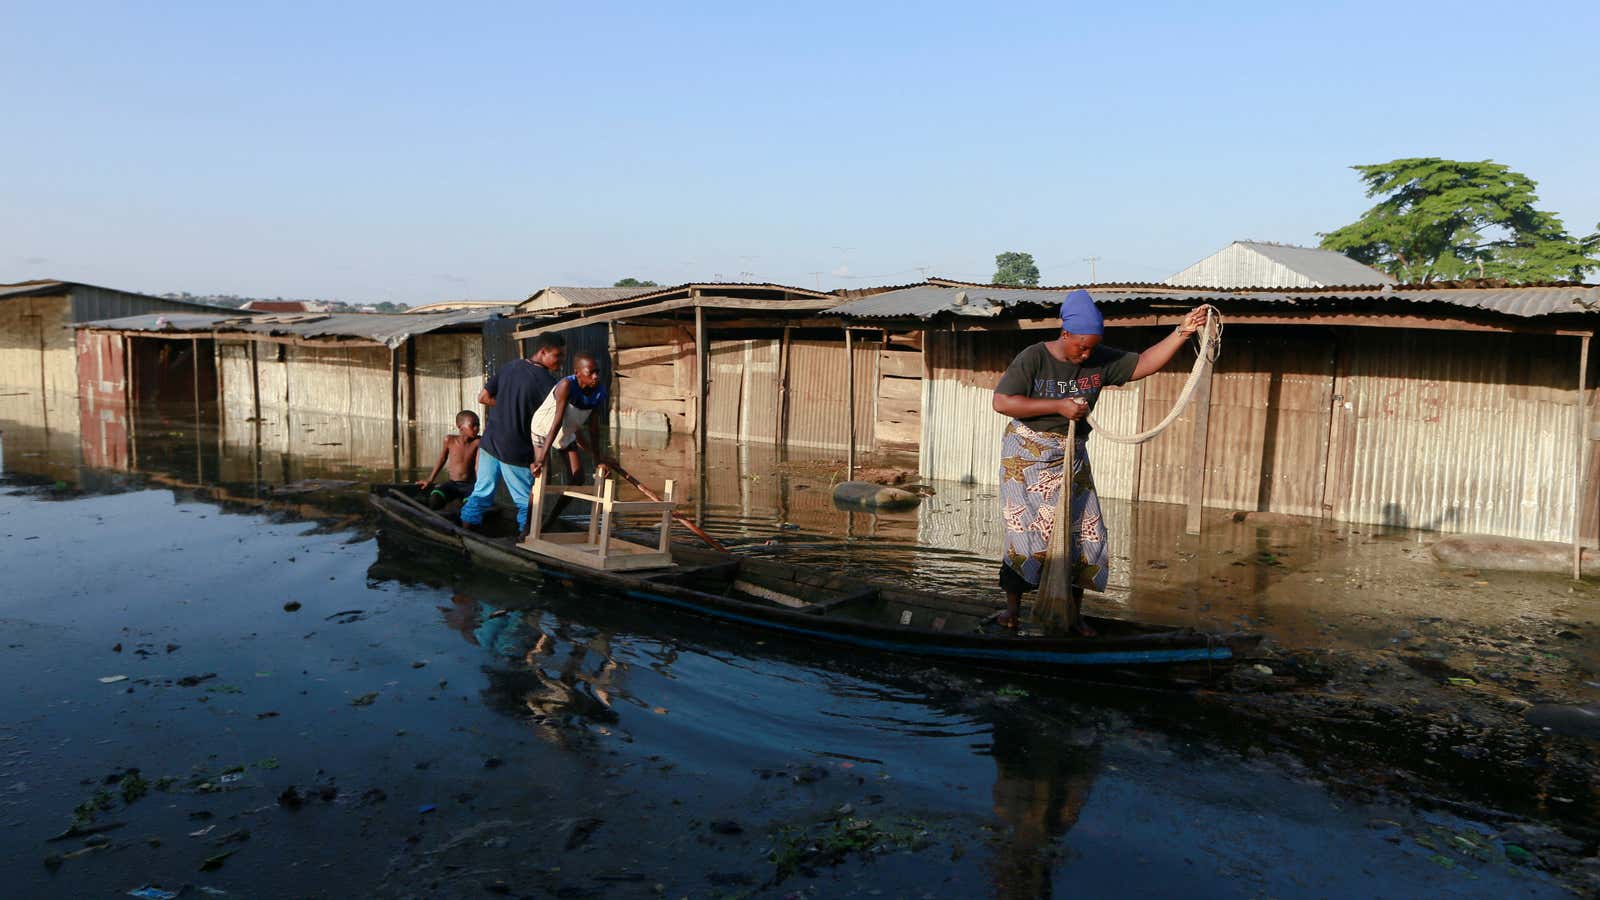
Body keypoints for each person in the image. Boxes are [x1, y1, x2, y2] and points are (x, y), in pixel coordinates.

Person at [991, 289, 1209, 635]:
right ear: (1065, 335)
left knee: (1083, 535)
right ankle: (1012, 611)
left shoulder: (1098, 358)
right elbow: (1003, 402)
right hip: (1027, 456)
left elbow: (1143, 364)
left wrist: (1182, 332)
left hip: (1072, 454)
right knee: (1027, 535)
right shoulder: (1034, 357)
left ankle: (1073, 616)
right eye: (1081, 347)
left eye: (1092, 347)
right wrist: (1057, 406)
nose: (1087, 353)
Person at [459, 333, 565, 533]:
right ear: (543, 352)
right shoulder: (547, 382)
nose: (561, 361)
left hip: (489, 444)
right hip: (515, 449)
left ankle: (464, 534)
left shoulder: (509, 366)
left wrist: (508, 406)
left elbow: (483, 397)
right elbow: (554, 420)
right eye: (558, 356)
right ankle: (525, 541)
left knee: (481, 493)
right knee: (527, 501)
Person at [528, 352, 618, 529]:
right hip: (543, 429)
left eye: (597, 372)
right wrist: (541, 459)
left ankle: (550, 521)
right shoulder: (566, 385)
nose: (596, 376)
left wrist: (597, 461)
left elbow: (593, 428)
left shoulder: (599, 391)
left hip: (567, 431)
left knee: (577, 479)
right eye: (590, 372)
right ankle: (527, 528)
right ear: (577, 373)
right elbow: (556, 421)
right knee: (543, 478)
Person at [417, 410, 481, 511]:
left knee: (468, 507)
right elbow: (442, 459)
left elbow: (477, 466)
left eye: (478, 425)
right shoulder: (450, 440)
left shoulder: (478, 442)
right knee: (435, 499)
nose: (477, 428)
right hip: (452, 484)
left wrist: (479, 486)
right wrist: (430, 480)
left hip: (469, 486)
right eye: (473, 425)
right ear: (460, 427)